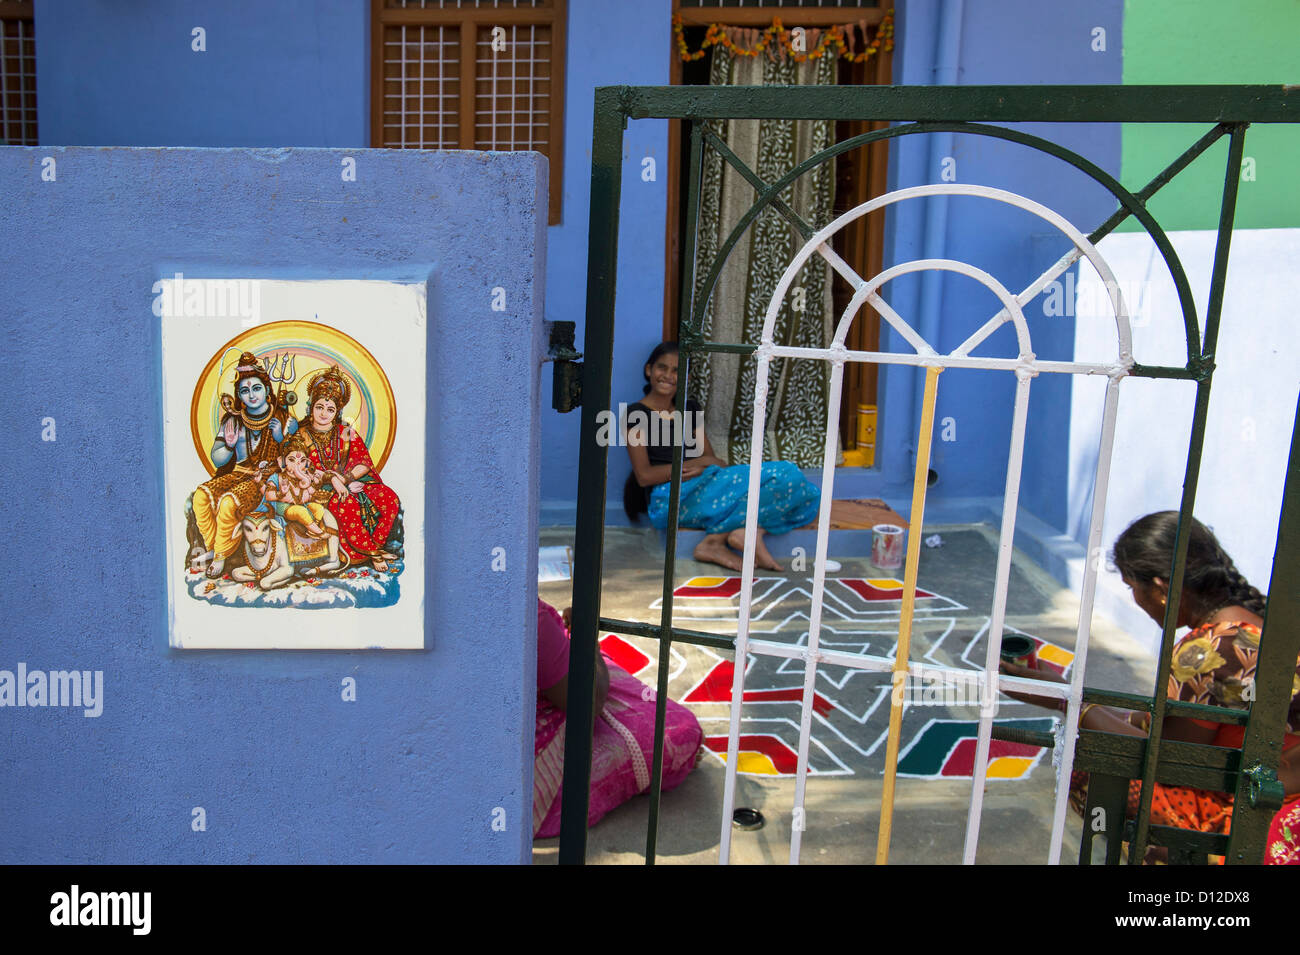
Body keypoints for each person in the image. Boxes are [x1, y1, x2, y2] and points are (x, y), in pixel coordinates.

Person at [1003, 511, 1300, 864]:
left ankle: (1183, 853)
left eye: (1133, 587)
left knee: (1091, 767)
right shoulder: (1263, 623)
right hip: (1278, 783)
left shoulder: (1206, 650)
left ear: (1160, 589)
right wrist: (1070, 694)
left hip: (1249, 803)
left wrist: (1071, 705)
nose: (1135, 599)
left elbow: (1167, 761)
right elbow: (1159, 724)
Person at [622, 341, 821, 572]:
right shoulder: (636, 414)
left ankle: (736, 536)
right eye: (662, 368)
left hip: (705, 483)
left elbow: (715, 461)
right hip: (669, 496)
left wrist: (703, 467)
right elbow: (644, 476)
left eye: (677, 370)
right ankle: (725, 539)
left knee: (799, 486)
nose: (668, 375)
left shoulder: (689, 410)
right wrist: (696, 465)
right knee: (785, 475)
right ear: (649, 370)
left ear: (685, 376)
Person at [532, 599, 703, 839]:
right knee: (680, 732)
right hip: (524, 785)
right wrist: (586, 638)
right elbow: (587, 704)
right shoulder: (527, 615)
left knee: (603, 671)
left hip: (473, 760)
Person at [192, 352, 298, 577]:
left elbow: (296, 456)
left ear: (268, 390)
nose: (251, 395)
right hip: (238, 474)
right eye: (245, 390)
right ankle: (214, 548)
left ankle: (220, 558)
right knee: (201, 497)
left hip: (264, 479)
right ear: (239, 395)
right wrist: (229, 445)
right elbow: (217, 459)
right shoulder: (233, 421)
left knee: (229, 502)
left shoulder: (284, 419)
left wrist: (281, 438)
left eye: (256, 388)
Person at [298, 366, 402, 572]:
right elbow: (301, 469)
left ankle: (375, 547)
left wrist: (345, 479)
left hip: (349, 483)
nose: (324, 413)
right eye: (319, 407)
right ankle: (369, 553)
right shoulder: (301, 436)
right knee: (344, 503)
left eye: (330, 409)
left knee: (389, 497)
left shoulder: (346, 433)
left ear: (337, 412)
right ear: (311, 408)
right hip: (316, 491)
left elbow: (363, 462)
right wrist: (332, 480)